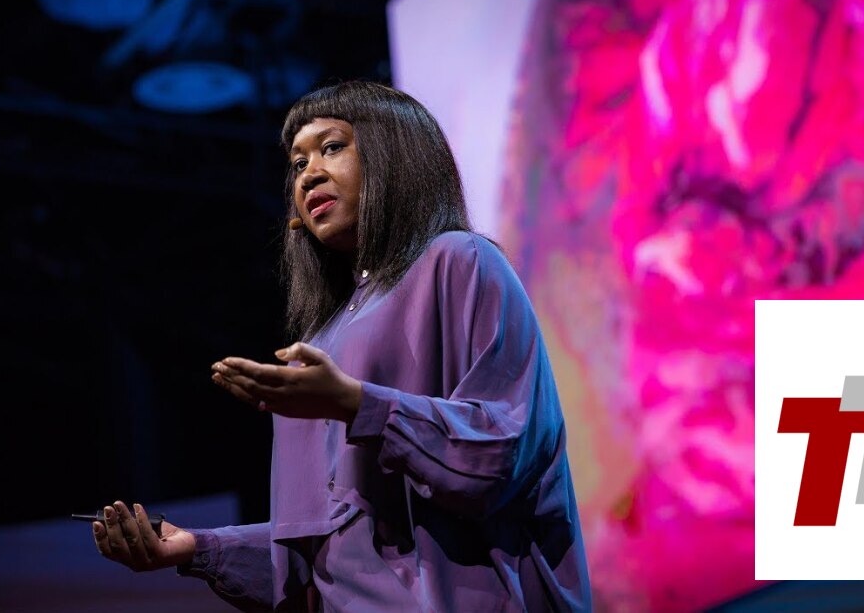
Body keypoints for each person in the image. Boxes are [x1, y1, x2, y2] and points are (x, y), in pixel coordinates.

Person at [90, 81, 592, 612]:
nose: (308, 174)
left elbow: (503, 449)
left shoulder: (459, 261)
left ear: (393, 157)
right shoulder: (320, 339)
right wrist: (199, 548)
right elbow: (328, 548)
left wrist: (356, 404)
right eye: (297, 163)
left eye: (331, 147)